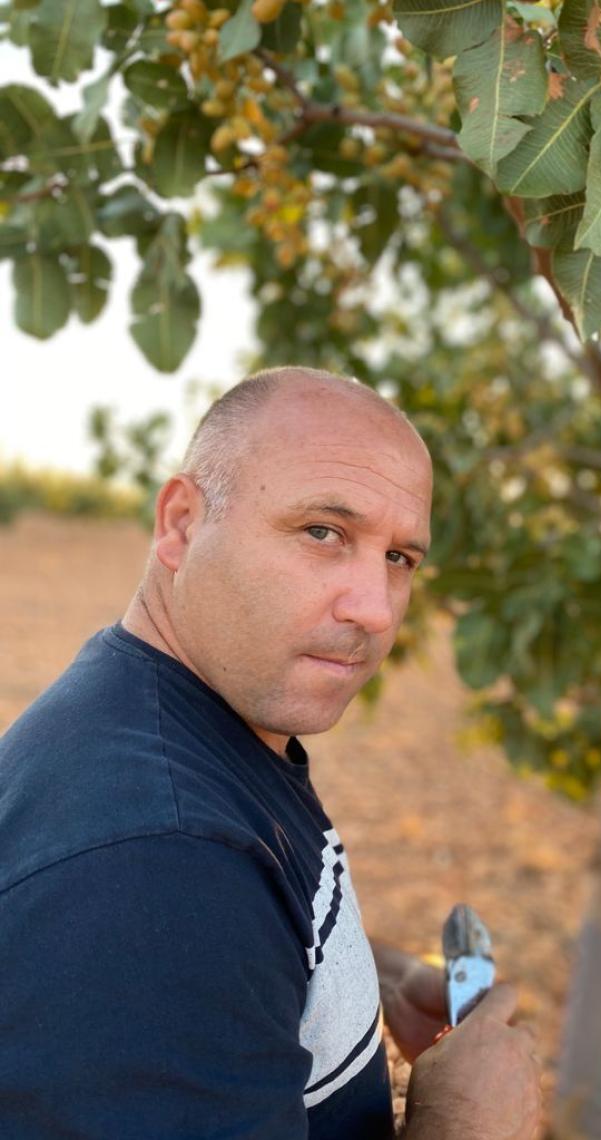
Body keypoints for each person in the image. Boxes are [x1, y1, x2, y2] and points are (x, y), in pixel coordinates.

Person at [0, 367, 541, 1140]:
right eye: (323, 533)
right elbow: (167, 925)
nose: (374, 609)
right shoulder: (162, 864)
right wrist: (466, 1123)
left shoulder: (182, 720)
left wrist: (356, 976)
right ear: (183, 524)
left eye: (399, 559)